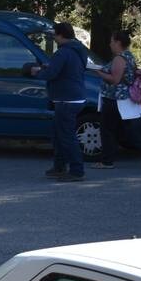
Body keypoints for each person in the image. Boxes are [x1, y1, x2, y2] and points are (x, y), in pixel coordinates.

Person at [25, 22, 89, 182]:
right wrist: (49, 66)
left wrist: (36, 73)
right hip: (74, 97)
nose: (53, 37)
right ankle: (59, 166)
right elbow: (64, 69)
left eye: (55, 35)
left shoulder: (63, 52)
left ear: (61, 35)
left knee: (66, 136)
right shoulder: (78, 50)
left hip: (66, 100)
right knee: (58, 134)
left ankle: (76, 170)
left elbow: (52, 73)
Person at [92, 30, 141, 169]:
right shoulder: (129, 56)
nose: (110, 44)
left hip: (115, 98)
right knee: (126, 130)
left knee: (107, 129)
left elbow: (115, 80)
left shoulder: (119, 59)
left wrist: (99, 73)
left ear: (118, 42)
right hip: (125, 99)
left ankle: (107, 161)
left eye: (111, 41)